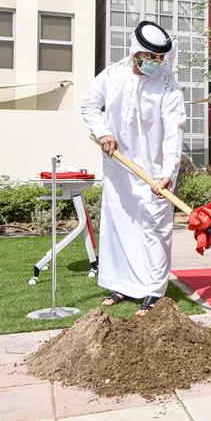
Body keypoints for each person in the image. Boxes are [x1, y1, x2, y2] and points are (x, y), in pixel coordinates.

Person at [81, 21, 186, 316]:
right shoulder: (113, 74)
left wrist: (168, 173)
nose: (154, 63)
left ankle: (154, 290)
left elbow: (172, 136)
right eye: (149, 56)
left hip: (153, 173)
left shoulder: (168, 88)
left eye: (159, 58)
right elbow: (90, 105)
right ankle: (123, 284)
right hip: (118, 169)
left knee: (154, 227)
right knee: (119, 225)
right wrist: (103, 132)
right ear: (135, 52)